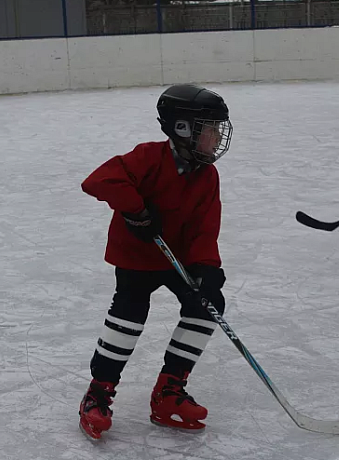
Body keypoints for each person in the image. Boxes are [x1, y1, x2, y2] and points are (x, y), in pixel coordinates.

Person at [78, 84, 233, 440]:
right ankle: (98, 392)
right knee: (128, 317)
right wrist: (137, 211)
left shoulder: (207, 176)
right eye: (208, 129)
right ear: (182, 129)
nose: (216, 138)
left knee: (209, 304)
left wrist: (207, 267)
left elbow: (205, 227)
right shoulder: (148, 158)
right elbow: (99, 180)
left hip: (175, 257)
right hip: (135, 257)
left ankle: (169, 392)